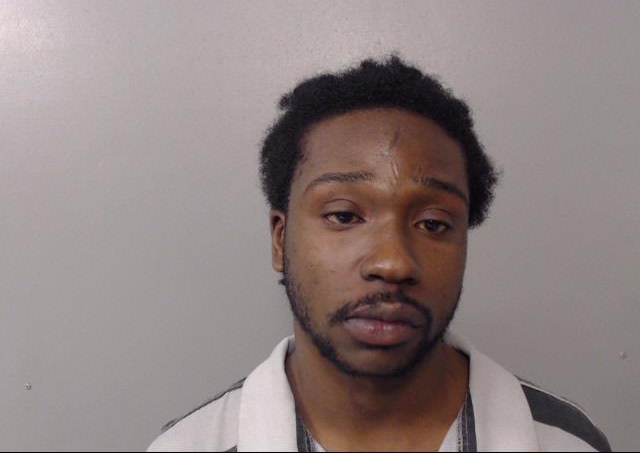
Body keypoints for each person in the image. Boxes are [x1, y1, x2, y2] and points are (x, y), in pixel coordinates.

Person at [147, 56, 611, 452]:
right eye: (343, 215)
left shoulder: (566, 442)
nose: (393, 263)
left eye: (433, 223)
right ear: (279, 240)